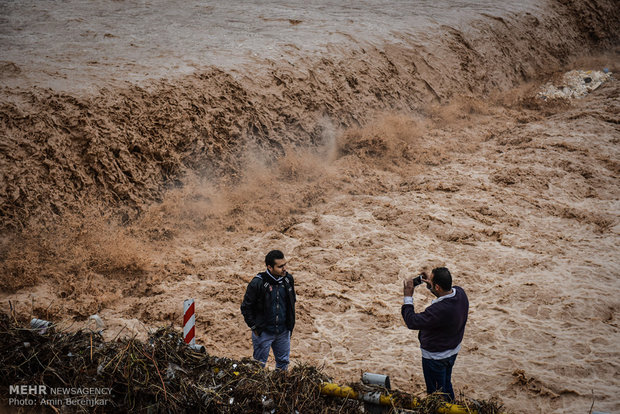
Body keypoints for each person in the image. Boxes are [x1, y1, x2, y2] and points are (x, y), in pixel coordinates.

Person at [401, 267, 469, 401]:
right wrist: (430, 286)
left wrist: (408, 296)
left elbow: (412, 321)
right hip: (452, 350)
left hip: (435, 358)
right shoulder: (460, 293)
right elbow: (443, 294)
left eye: (431, 282)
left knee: (436, 395)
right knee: (446, 385)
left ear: (437, 287)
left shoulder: (438, 311)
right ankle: (452, 406)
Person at [241, 250, 296, 370]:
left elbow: (292, 302)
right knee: (258, 366)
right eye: (280, 266)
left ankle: (280, 387)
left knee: (283, 363)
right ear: (270, 267)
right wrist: (254, 327)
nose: (284, 268)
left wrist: (289, 326)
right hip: (263, 332)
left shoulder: (288, 280)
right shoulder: (257, 283)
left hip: (283, 331)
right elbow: (246, 307)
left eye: (285, 264)